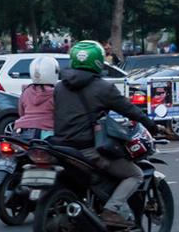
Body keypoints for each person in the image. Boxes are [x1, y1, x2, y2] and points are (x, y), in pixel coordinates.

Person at [54, 40, 162, 228]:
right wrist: (152, 126)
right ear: (98, 61)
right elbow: (129, 110)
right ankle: (111, 211)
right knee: (135, 174)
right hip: (88, 150)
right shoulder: (103, 88)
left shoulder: (59, 87)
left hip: (61, 148)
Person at [14, 57, 58, 139]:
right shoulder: (55, 93)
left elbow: (21, 112)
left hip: (22, 131)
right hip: (47, 132)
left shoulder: (26, 91)